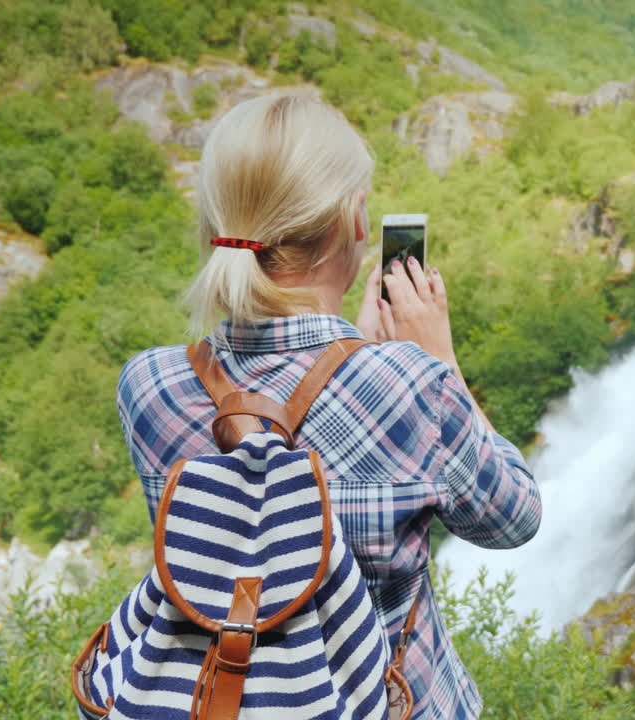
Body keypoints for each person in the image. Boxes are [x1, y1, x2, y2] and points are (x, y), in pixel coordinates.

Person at [115, 92, 541, 719]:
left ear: (214, 231)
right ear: (356, 222)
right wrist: (438, 360)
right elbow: (513, 518)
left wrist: (355, 352)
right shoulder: (414, 384)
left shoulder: (149, 383)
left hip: (224, 695)